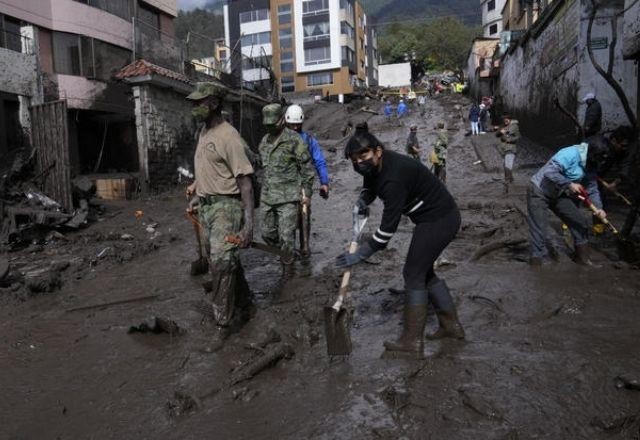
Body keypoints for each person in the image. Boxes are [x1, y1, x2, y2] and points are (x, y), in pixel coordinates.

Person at [335, 123, 464, 359]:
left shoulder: (394, 179)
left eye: (363, 155)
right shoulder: (378, 167)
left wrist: (361, 254)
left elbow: (387, 231)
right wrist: (363, 199)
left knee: (413, 274)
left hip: (439, 219)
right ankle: (451, 327)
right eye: (354, 159)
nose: (359, 162)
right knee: (423, 273)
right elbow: (370, 183)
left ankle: (412, 341)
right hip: (433, 217)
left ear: (378, 151)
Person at [185, 82, 255, 340]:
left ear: (213, 104)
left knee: (220, 265)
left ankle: (222, 326)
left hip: (227, 207)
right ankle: (245, 305)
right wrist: (198, 196)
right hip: (207, 206)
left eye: (199, 103)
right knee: (227, 262)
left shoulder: (229, 136)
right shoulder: (203, 133)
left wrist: (248, 226)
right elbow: (212, 171)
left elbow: (245, 184)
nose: (194, 108)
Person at [526, 135, 623, 266]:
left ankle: (582, 259)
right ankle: (536, 264)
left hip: (558, 193)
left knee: (580, 222)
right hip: (538, 191)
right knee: (540, 230)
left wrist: (599, 209)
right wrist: (570, 184)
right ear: (592, 153)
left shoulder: (592, 163)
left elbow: (592, 189)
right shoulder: (570, 153)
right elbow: (550, 172)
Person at [258, 103, 315, 286]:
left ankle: (287, 270)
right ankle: (285, 254)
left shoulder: (294, 140)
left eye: (273, 123)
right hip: (268, 197)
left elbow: (306, 168)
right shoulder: (264, 142)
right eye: (267, 125)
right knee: (266, 233)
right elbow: (261, 166)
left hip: (289, 198)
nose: (270, 127)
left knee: (286, 236)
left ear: (282, 120)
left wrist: (307, 193)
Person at [284, 104, 330, 260]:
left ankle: (305, 247)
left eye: (298, 124)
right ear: (286, 123)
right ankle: (287, 252)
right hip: (284, 187)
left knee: (304, 215)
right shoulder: (279, 140)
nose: (295, 127)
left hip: (303, 185)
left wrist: (324, 182)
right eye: (292, 125)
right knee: (286, 220)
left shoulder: (309, 141)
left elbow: (319, 162)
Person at [497, 115, 520, 192]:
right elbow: (497, 134)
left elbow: (518, 137)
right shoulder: (503, 126)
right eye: (504, 120)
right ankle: (511, 179)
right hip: (504, 149)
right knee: (506, 165)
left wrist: (509, 139)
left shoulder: (514, 126)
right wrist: (500, 131)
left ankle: (506, 183)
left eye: (506, 120)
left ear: (510, 120)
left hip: (511, 149)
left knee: (507, 165)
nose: (505, 121)